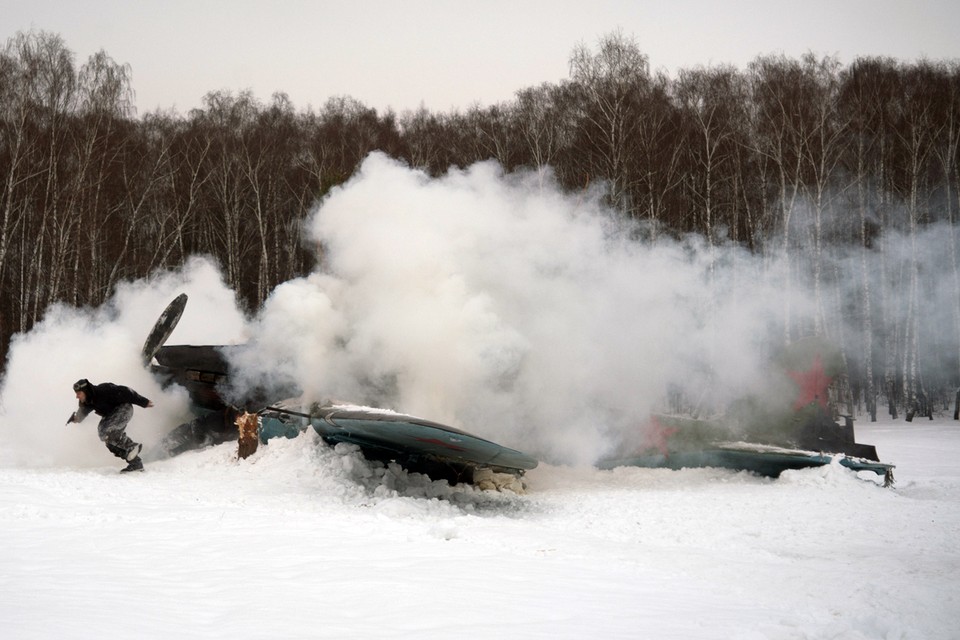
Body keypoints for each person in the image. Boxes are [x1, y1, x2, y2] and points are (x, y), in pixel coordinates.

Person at [67, 378, 153, 472]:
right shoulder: (87, 402)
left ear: (86, 391)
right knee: (107, 438)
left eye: (79, 393)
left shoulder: (103, 390)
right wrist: (76, 419)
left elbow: (126, 391)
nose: (77, 396)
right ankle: (136, 463)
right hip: (110, 415)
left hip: (124, 409)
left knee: (109, 431)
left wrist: (144, 402)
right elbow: (82, 412)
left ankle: (131, 446)